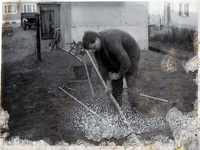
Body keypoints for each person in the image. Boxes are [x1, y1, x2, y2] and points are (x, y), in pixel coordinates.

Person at [82, 29, 140, 108]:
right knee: (115, 85)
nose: (94, 50)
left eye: (94, 47)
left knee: (130, 81)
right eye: (92, 49)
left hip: (131, 53)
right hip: (115, 56)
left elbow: (126, 62)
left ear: (97, 39)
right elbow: (102, 66)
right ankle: (117, 108)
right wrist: (107, 83)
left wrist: (118, 75)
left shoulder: (112, 41)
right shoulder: (97, 48)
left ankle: (134, 109)